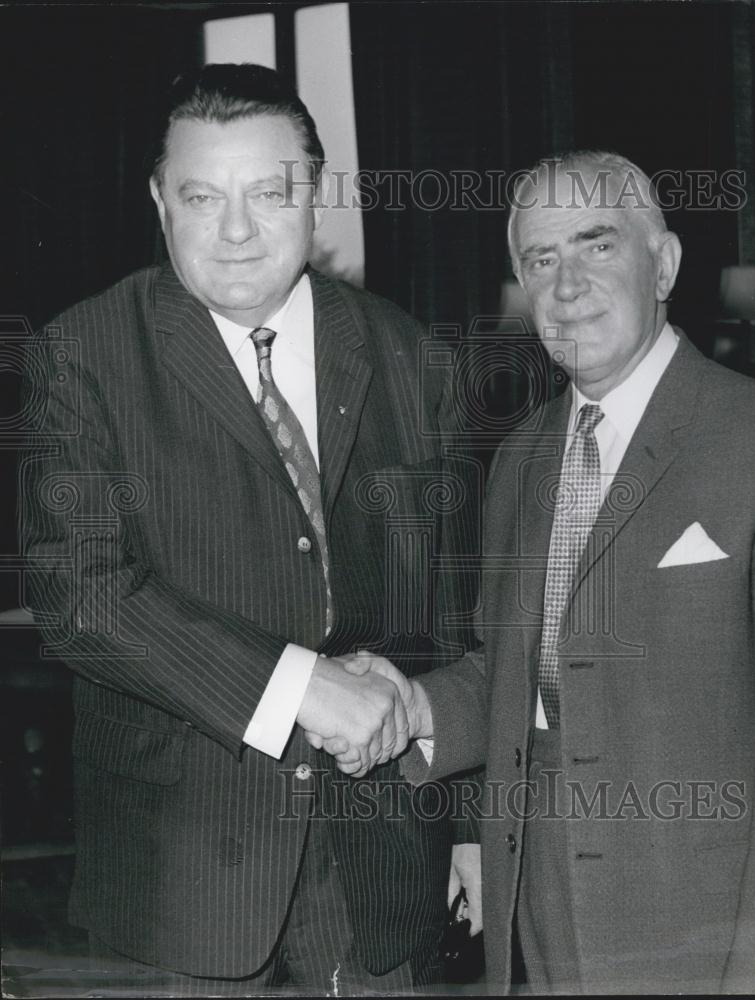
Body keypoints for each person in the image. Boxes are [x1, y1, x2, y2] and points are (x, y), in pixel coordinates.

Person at [19, 63, 480, 993]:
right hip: (184, 878)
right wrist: (299, 685)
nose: (235, 231)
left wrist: (471, 826)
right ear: (159, 203)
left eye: (269, 194)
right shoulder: (82, 354)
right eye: (201, 196)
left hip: (383, 867)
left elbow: (453, 612)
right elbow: (80, 597)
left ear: (315, 197)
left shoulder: (410, 353)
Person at [328, 151, 755, 994]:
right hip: (541, 893)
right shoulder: (521, 455)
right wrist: (413, 705)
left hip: (713, 905)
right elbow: (508, 669)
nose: (565, 286)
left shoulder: (743, 434)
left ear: (662, 263)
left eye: (596, 246)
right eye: (539, 259)